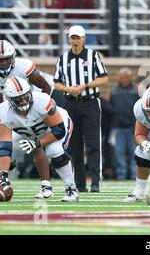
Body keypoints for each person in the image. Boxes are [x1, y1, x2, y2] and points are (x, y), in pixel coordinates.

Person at [0, 40, 53, 201]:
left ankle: (46, 186)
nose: (3, 63)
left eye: (6, 59)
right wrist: (0, 107)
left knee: (36, 145)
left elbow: (46, 87)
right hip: (11, 110)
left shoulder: (24, 67)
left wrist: (40, 108)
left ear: (13, 58)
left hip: (30, 108)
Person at [0, 76, 79, 202]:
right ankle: (4, 182)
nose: (23, 101)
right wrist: (3, 175)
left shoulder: (41, 101)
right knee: (6, 152)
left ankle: (71, 188)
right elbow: (5, 147)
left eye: (25, 96)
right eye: (18, 99)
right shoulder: (3, 112)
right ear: (10, 100)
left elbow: (59, 131)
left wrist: (36, 143)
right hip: (29, 132)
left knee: (54, 151)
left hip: (55, 127)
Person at [53, 25, 108, 193]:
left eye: (78, 38)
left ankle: (96, 182)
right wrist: (67, 89)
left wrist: (85, 86)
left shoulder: (92, 56)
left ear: (84, 39)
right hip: (71, 104)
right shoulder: (63, 58)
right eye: (73, 38)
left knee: (93, 144)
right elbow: (56, 82)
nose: (75, 41)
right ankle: (80, 183)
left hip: (90, 102)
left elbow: (104, 78)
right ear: (69, 39)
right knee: (74, 146)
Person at [109, 68, 139, 180]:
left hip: (132, 128)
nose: (124, 80)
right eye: (122, 77)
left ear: (130, 78)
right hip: (118, 128)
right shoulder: (114, 91)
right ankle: (121, 175)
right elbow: (112, 108)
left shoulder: (136, 91)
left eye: (126, 77)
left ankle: (133, 175)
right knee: (119, 154)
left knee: (133, 153)